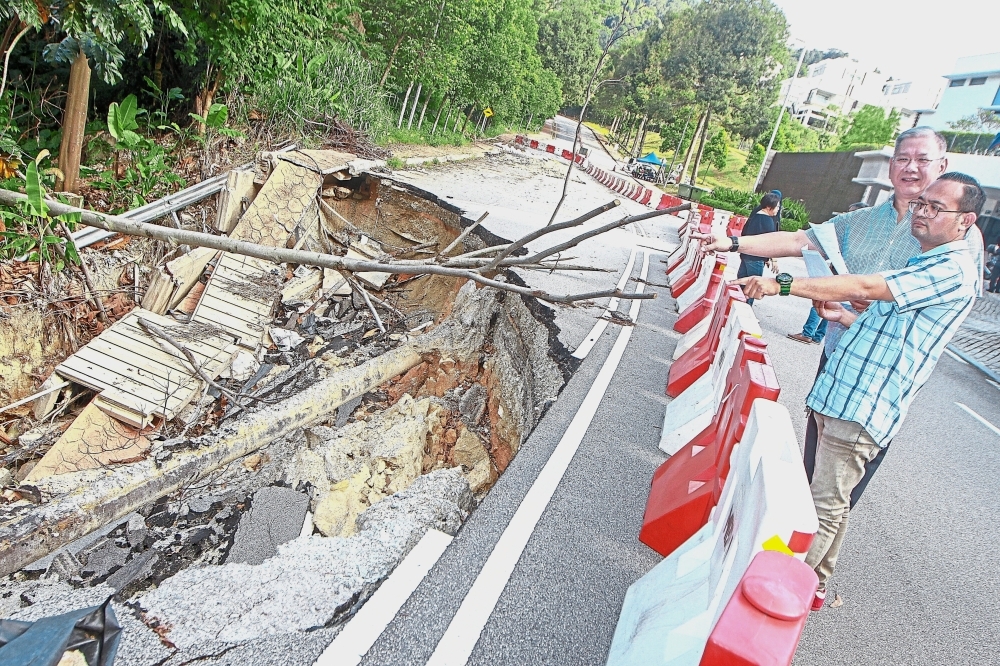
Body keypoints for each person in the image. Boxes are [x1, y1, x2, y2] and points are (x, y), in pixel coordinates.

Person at [694, 127, 985, 511]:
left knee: (836, 494)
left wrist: (784, 285)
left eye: (923, 160)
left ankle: (805, 565)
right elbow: (801, 241)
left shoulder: (960, 237)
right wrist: (733, 243)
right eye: (902, 158)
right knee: (813, 467)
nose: (910, 168)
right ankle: (788, 546)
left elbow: (900, 294)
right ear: (890, 165)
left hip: (880, 378)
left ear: (943, 166)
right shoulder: (863, 220)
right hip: (837, 354)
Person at [737, 172, 984, 611]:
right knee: (834, 500)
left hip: (861, 407)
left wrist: (784, 284)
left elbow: (866, 287)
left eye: (935, 207)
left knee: (821, 506)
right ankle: (815, 583)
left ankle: (776, 599)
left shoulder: (952, 269)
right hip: (843, 395)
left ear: (965, 221)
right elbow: (890, 327)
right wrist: (843, 318)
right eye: (921, 203)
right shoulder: (924, 262)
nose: (922, 212)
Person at [787, 202, 870, 345]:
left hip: (838, 279)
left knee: (820, 301)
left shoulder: (854, 236)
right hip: (844, 281)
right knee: (834, 307)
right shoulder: (864, 238)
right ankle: (818, 336)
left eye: (851, 213)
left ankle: (807, 333)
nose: (846, 215)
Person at [736, 192, 781, 305]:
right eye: (777, 206)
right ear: (769, 207)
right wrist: (773, 259)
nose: (778, 209)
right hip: (756, 258)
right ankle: (746, 309)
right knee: (752, 287)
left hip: (746, 255)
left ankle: (735, 306)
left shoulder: (755, 216)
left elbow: (744, 233)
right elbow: (771, 242)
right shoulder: (767, 221)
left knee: (742, 283)